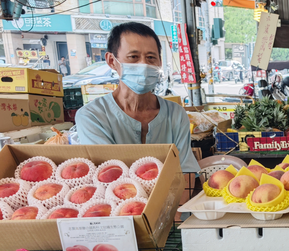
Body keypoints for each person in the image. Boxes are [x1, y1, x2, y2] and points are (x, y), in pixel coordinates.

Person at [75, 22, 200, 173]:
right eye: (133, 57)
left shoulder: (175, 114)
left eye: (151, 57)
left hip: (174, 197)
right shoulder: (92, 116)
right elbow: (109, 176)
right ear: (111, 61)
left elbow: (186, 173)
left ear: (159, 62)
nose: (144, 65)